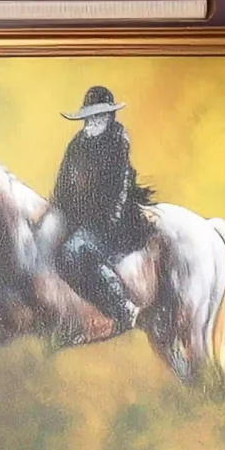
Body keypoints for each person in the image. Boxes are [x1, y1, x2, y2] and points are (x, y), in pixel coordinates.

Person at [49, 84, 155, 332]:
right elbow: (62, 185)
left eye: (99, 116)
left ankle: (122, 306)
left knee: (76, 251)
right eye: (90, 117)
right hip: (78, 221)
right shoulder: (76, 144)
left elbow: (119, 189)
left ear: (109, 116)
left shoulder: (117, 141)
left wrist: (103, 224)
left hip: (112, 223)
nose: (93, 121)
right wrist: (58, 214)